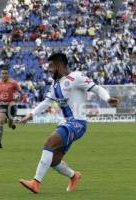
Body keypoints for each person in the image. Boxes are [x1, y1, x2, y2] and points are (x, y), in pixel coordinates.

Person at [19, 53, 119, 193]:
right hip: (66, 122)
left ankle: (35, 182)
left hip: (78, 123)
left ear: (60, 65)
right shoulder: (55, 84)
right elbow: (47, 102)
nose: (49, 69)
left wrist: (108, 99)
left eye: (51, 66)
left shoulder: (76, 77)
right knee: (53, 161)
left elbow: (96, 88)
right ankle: (74, 176)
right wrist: (31, 114)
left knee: (49, 143)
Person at [0, 67, 27, 149]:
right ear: (1, 74)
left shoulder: (13, 83)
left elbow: (21, 91)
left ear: (8, 74)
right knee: (1, 121)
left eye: (6, 73)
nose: (4, 75)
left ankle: (12, 125)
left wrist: (22, 97)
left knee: (9, 125)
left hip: (11, 104)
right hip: (2, 104)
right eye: (3, 73)